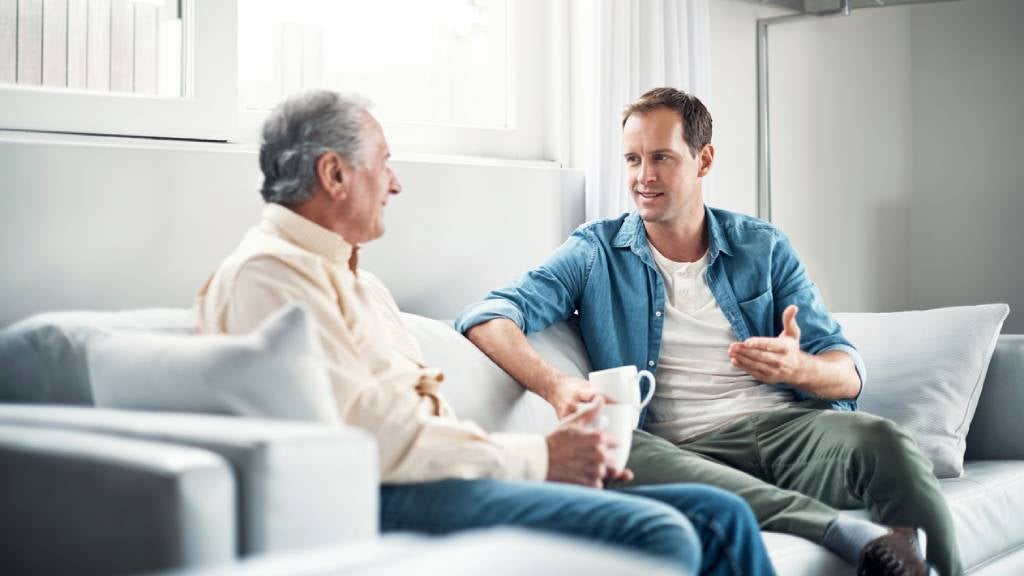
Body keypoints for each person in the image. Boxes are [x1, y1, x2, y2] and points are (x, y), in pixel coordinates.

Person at [196, 89, 775, 576]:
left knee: (720, 515)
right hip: (382, 496)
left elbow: (419, 423)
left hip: (438, 478)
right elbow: (377, 440)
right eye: (384, 162)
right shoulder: (269, 276)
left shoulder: (360, 283)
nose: (394, 184)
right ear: (334, 173)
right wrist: (537, 459)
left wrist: (553, 462)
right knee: (658, 533)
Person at [456, 87, 955, 576]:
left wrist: (800, 367)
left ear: (704, 159)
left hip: (790, 432)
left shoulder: (762, 247)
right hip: (680, 449)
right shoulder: (594, 253)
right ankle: (847, 534)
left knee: (884, 441)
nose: (643, 177)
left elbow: (847, 373)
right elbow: (488, 315)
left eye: (661, 158)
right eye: (632, 160)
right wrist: (557, 385)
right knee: (617, 449)